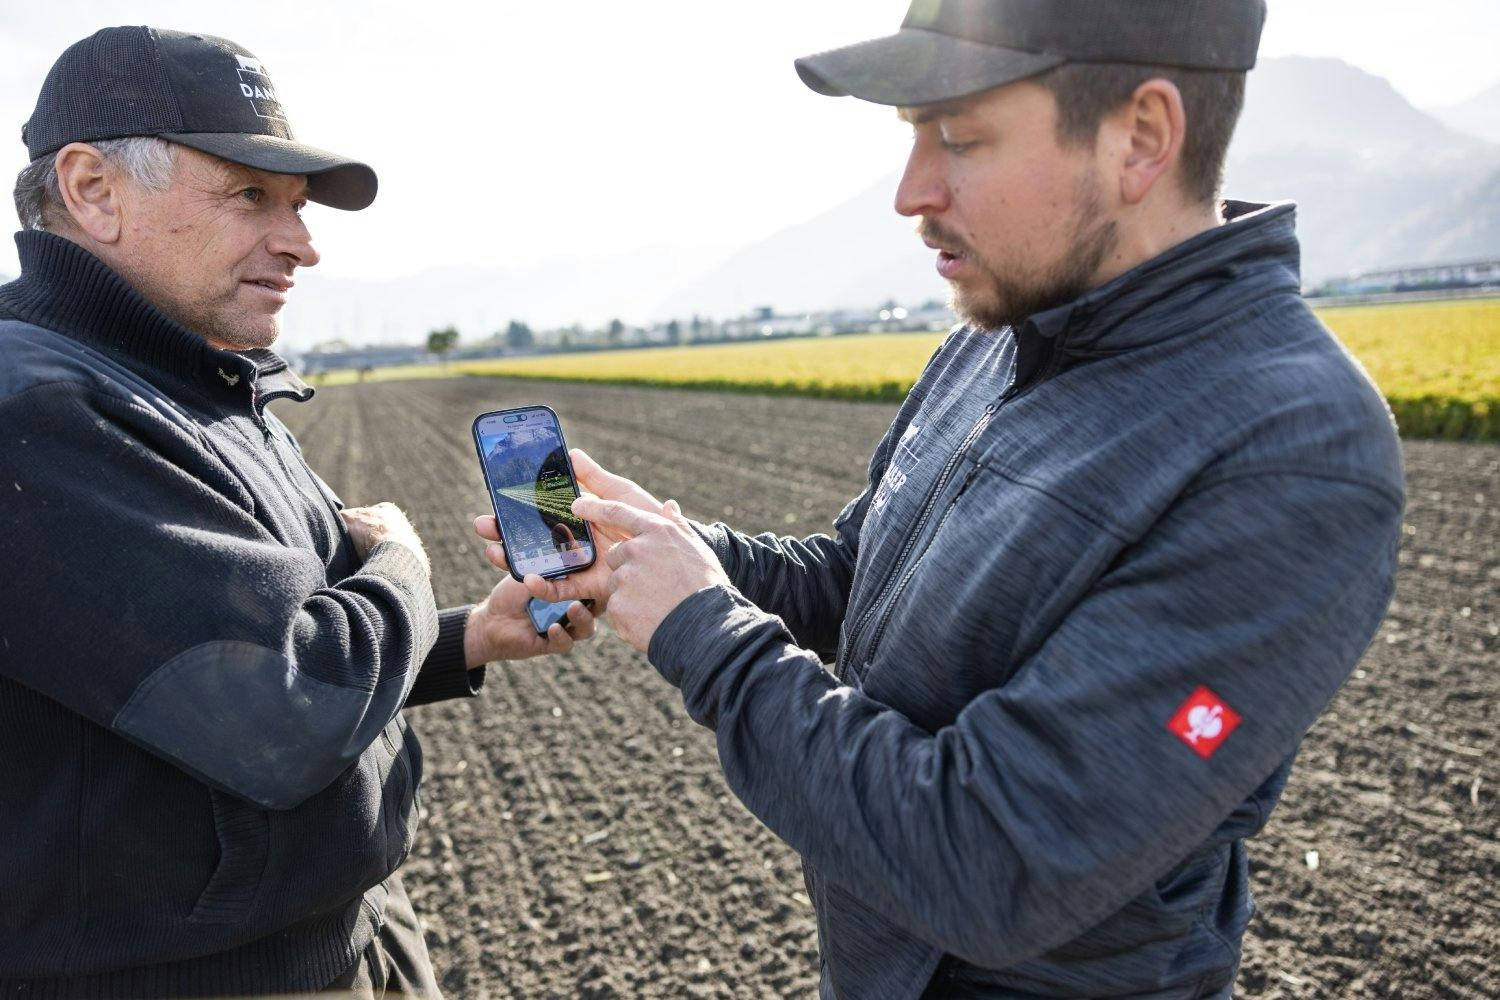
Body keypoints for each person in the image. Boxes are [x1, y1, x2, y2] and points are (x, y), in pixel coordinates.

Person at [504, 1, 1406, 997]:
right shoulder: (1001, 332)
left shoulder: (1294, 447)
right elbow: (860, 578)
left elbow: (993, 858)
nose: (909, 192)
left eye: (961, 137)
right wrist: (659, 545)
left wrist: (704, 630)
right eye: (912, 137)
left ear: (1140, 138)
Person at [0, 27, 592, 998]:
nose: (302, 244)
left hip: (336, 936)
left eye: (300, 206)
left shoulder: (186, 378)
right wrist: (402, 564)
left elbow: (203, 671)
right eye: (251, 197)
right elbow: (280, 706)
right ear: (92, 189)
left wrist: (463, 642)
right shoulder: (37, 408)